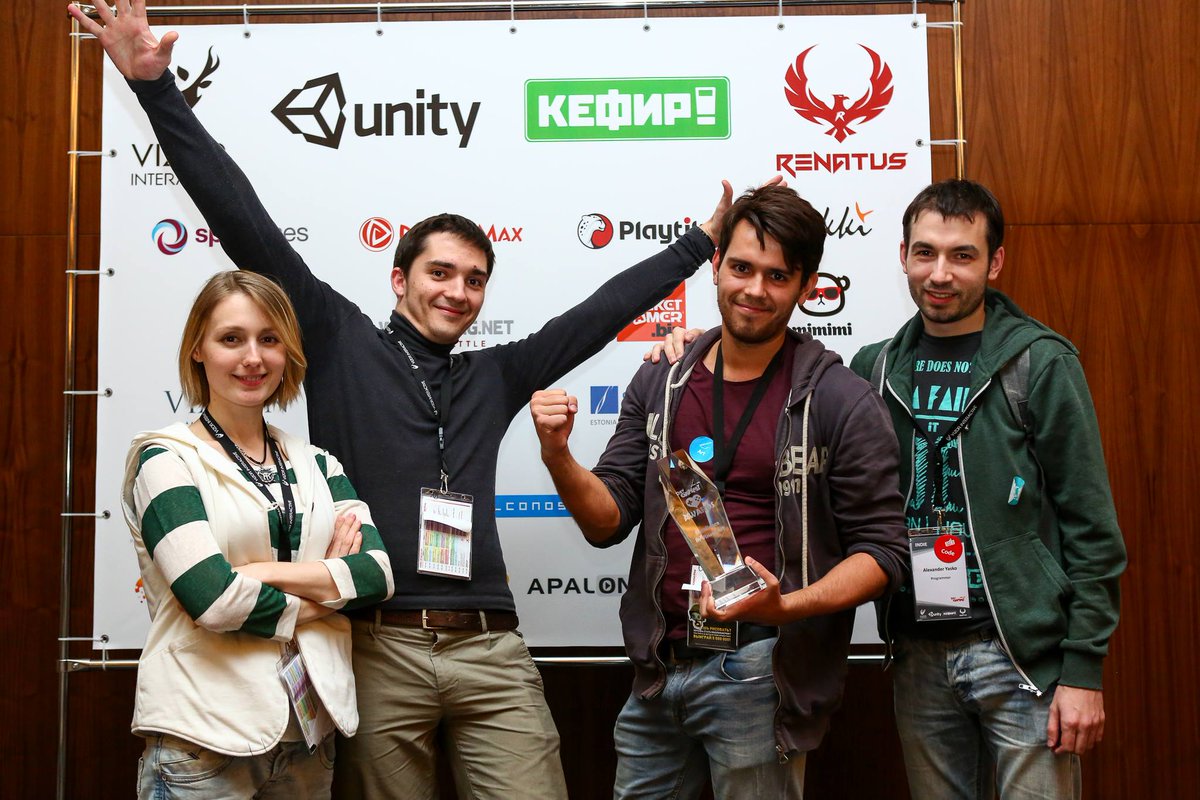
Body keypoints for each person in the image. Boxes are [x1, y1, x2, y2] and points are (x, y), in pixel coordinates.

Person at [70, 3, 745, 796]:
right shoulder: (338, 338)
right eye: (439, 272)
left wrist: (699, 244)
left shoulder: (498, 373)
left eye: (474, 280)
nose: (457, 291)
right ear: (400, 279)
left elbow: (597, 315)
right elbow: (241, 218)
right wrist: (156, 90)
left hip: (491, 646)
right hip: (378, 644)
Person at [528, 185, 909, 798]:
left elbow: (884, 555)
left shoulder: (841, 399)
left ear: (806, 287)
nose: (754, 289)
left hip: (763, 665)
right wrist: (557, 455)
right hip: (659, 669)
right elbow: (607, 520)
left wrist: (786, 607)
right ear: (715, 265)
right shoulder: (660, 380)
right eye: (741, 267)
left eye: (777, 276)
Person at [846, 179, 1126, 799]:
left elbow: (1092, 529)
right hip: (918, 653)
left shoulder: (1039, 362)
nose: (940, 274)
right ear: (903, 256)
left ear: (994, 263)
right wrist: (697, 348)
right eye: (925, 253)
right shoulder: (874, 367)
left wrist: (1083, 670)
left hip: (1021, 657)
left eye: (962, 255)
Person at [122, 271, 394, 799]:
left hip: (308, 738)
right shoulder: (165, 460)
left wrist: (260, 574)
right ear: (198, 349)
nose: (253, 358)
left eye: (269, 339)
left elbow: (377, 575)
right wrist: (328, 594)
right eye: (232, 338)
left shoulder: (317, 463)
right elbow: (214, 599)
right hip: (204, 739)